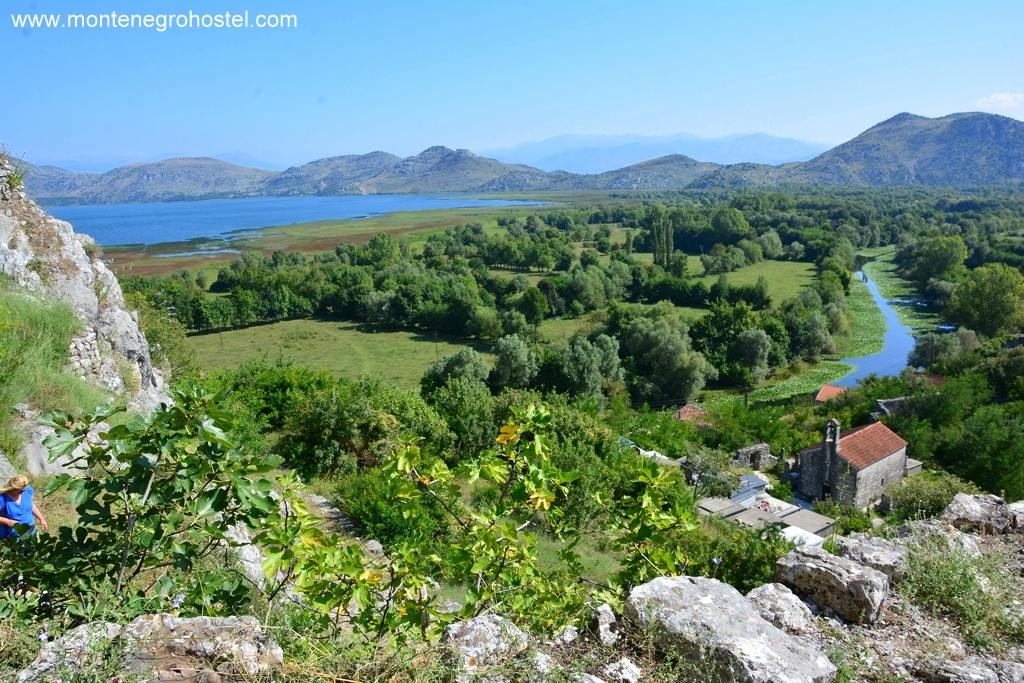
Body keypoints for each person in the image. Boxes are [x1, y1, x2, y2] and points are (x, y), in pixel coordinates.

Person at [0, 475, 48, 541]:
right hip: (15, 536)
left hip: (30, 531)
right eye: (19, 491)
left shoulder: (27, 491)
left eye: (23, 490)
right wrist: (7, 521)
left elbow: (31, 505)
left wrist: (41, 519)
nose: (22, 492)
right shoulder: (3, 499)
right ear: (12, 488)